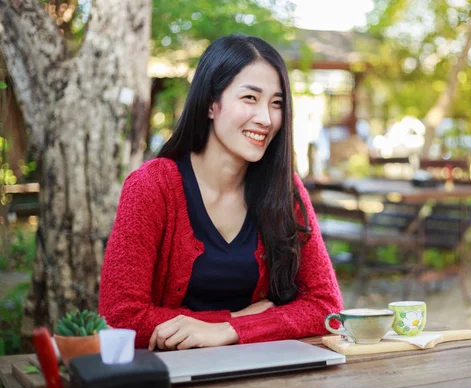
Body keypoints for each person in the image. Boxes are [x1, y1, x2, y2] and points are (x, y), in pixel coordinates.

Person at [98, 34, 344, 351]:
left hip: (264, 375)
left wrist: (231, 330)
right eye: (250, 98)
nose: (266, 119)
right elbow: (120, 319)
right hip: (172, 378)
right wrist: (234, 318)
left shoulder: (286, 190)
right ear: (212, 104)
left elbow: (328, 309)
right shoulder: (152, 187)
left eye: (276, 103)